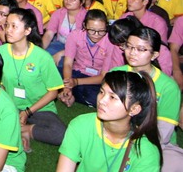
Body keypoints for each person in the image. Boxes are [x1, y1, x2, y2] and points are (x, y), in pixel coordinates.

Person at [56, 70, 162, 172]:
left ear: (134, 109)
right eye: (101, 92)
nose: (102, 100)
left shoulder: (146, 152)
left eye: (112, 97)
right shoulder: (81, 125)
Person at [111, 26, 183, 172]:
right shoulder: (116, 74)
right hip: (117, 135)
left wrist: (135, 146)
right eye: (129, 46)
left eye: (141, 49)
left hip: (154, 141)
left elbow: (163, 132)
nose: (132, 53)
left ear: (154, 55)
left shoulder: (168, 87)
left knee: (174, 163)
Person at [0, 8, 66, 152]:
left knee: (60, 133)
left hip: (39, 108)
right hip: (12, 107)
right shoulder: (0, 53)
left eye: (14, 26)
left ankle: (25, 130)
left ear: (27, 30)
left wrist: (27, 112)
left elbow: (53, 92)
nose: (8, 30)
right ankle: (22, 131)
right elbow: (0, 86)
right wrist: (10, 109)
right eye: (7, 25)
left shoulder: (42, 57)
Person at [59, 9, 117, 108]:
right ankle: (68, 94)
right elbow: (68, 64)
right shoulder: (75, 35)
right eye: (92, 30)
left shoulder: (110, 41)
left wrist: (76, 82)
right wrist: (68, 86)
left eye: (101, 31)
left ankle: (67, 94)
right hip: (77, 72)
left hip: (96, 79)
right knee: (53, 75)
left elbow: (103, 76)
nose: (96, 35)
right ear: (84, 26)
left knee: (97, 94)